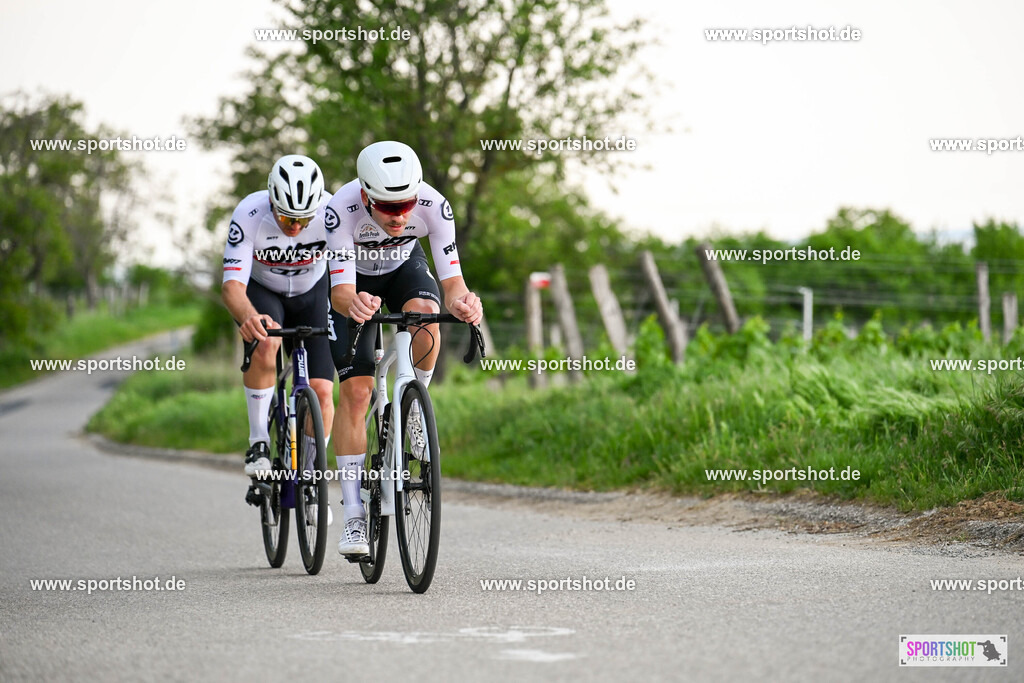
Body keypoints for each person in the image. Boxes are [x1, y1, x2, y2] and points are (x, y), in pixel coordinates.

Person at [325, 141, 482, 555]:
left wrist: (464, 303)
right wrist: (355, 303)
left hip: (402, 269)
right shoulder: (340, 209)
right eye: (388, 207)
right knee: (357, 392)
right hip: (353, 282)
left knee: (426, 314)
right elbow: (340, 292)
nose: (400, 216)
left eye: (407, 205)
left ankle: (414, 406)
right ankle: (354, 515)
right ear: (365, 196)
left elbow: (453, 285)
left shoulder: (435, 206)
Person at [221, 155, 336, 519]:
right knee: (267, 339)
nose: (295, 227)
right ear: (271, 200)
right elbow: (232, 287)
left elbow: (349, 270)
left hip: (313, 292)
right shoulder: (249, 213)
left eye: (304, 220)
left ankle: (313, 477)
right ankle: (258, 441)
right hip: (263, 291)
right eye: (287, 219)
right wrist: (249, 317)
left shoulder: (332, 212)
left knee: (323, 390)